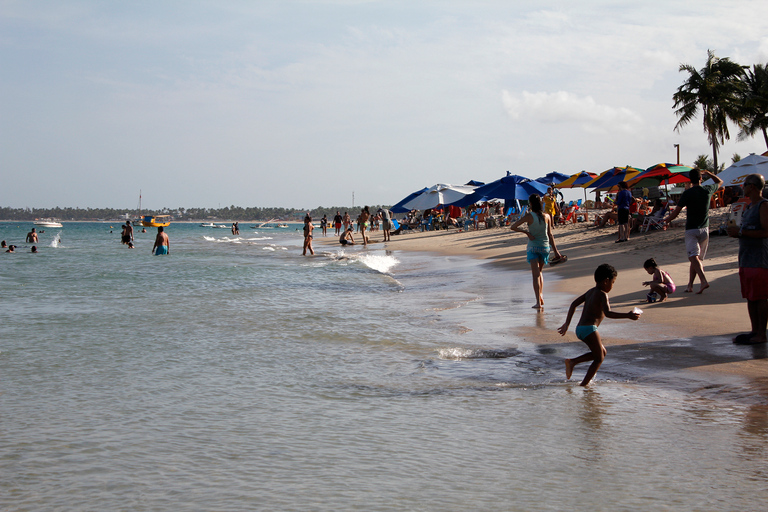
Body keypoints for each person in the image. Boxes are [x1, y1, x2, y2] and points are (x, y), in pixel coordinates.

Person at [557, 263, 641, 386]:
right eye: (613, 282)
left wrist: (567, 324)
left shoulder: (590, 292)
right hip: (590, 329)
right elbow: (608, 313)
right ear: (607, 281)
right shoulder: (602, 294)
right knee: (599, 358)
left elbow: (573, 304)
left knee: (602, 352)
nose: (612, 285)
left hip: (580, 329)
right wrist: (627, 315)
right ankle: (584, 385)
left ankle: (573, 362)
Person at [664, 168, 723, 293]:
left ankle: (703, 281)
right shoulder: (708, 190)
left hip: (692, 229)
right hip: (705, 229)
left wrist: (666, 221)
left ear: (690, 180)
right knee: (696, 259)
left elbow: (676, 212)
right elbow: (720, 181)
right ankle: (690, 285)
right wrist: (709, 174)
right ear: (701, 178)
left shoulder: (687, 193)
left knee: (693, 257)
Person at [727, 173, 768, 344]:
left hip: (759, 259)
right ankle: (754, 331)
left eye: (745, 184)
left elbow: (766, 232)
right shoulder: (749, 207)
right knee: (750, 297)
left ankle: (761, 333)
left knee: (760, 297)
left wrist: (742, 232)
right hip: (746, 258)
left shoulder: (763, 206)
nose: (743, 187)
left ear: (752, 186)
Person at [509, 194, 566, 310]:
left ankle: (538, 302)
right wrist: (556, 252)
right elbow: (550, 235)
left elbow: (513, 227)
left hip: (533, 247)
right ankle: (541, 295)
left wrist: (527, 233)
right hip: (545, 247)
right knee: (540, 273)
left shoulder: (529, 216)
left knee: (535, 276)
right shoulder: (547, 216)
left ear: (530, 203)